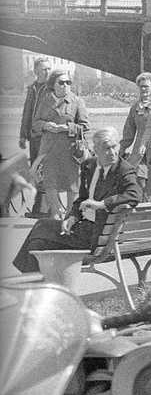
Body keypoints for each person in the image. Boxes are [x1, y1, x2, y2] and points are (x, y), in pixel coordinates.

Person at [12, 127, 139, 274]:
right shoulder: (89, 166)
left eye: (114, 146)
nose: (113, 152)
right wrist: (72, 217)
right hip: (85, 229)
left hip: (98, 235)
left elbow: (135, 194)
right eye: (106, 148)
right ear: (95, 150)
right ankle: (35, 282)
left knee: (42, 226)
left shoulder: (124, 170)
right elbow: (81, 199)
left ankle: (28, 282)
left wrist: (101, 204)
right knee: (38, 242)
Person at [31, 67, 89, 219]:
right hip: (48, 150)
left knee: (72, 183)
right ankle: (55, 214)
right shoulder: (45, 101)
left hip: (70, 150)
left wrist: (67, 127)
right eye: (61, 82)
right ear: (53, 85)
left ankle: (71, 214)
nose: (65, 85)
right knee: (50, 182)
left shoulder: (77, 101)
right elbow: (35, 123)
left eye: (68, 82)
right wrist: (45, 125)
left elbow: (85, 125)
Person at [18, 56, 52, 217]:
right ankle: (42, 208)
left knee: (45, 170)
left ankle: (43, 209)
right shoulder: (32, 88)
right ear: (36, 71)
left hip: (47, 136)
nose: (47, 72)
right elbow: (27, 112)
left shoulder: (52, 88)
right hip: (34, 138)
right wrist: (22, 135)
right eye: (44, 69)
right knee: (35, 171)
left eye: (48, 69)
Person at [119, 72, 151, 196]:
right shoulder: (135, 107)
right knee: (138, 179)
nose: (143, 89)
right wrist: (122, 149)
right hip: (139, 151)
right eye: (141, 86)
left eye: (146, 86)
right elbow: (129, 130)